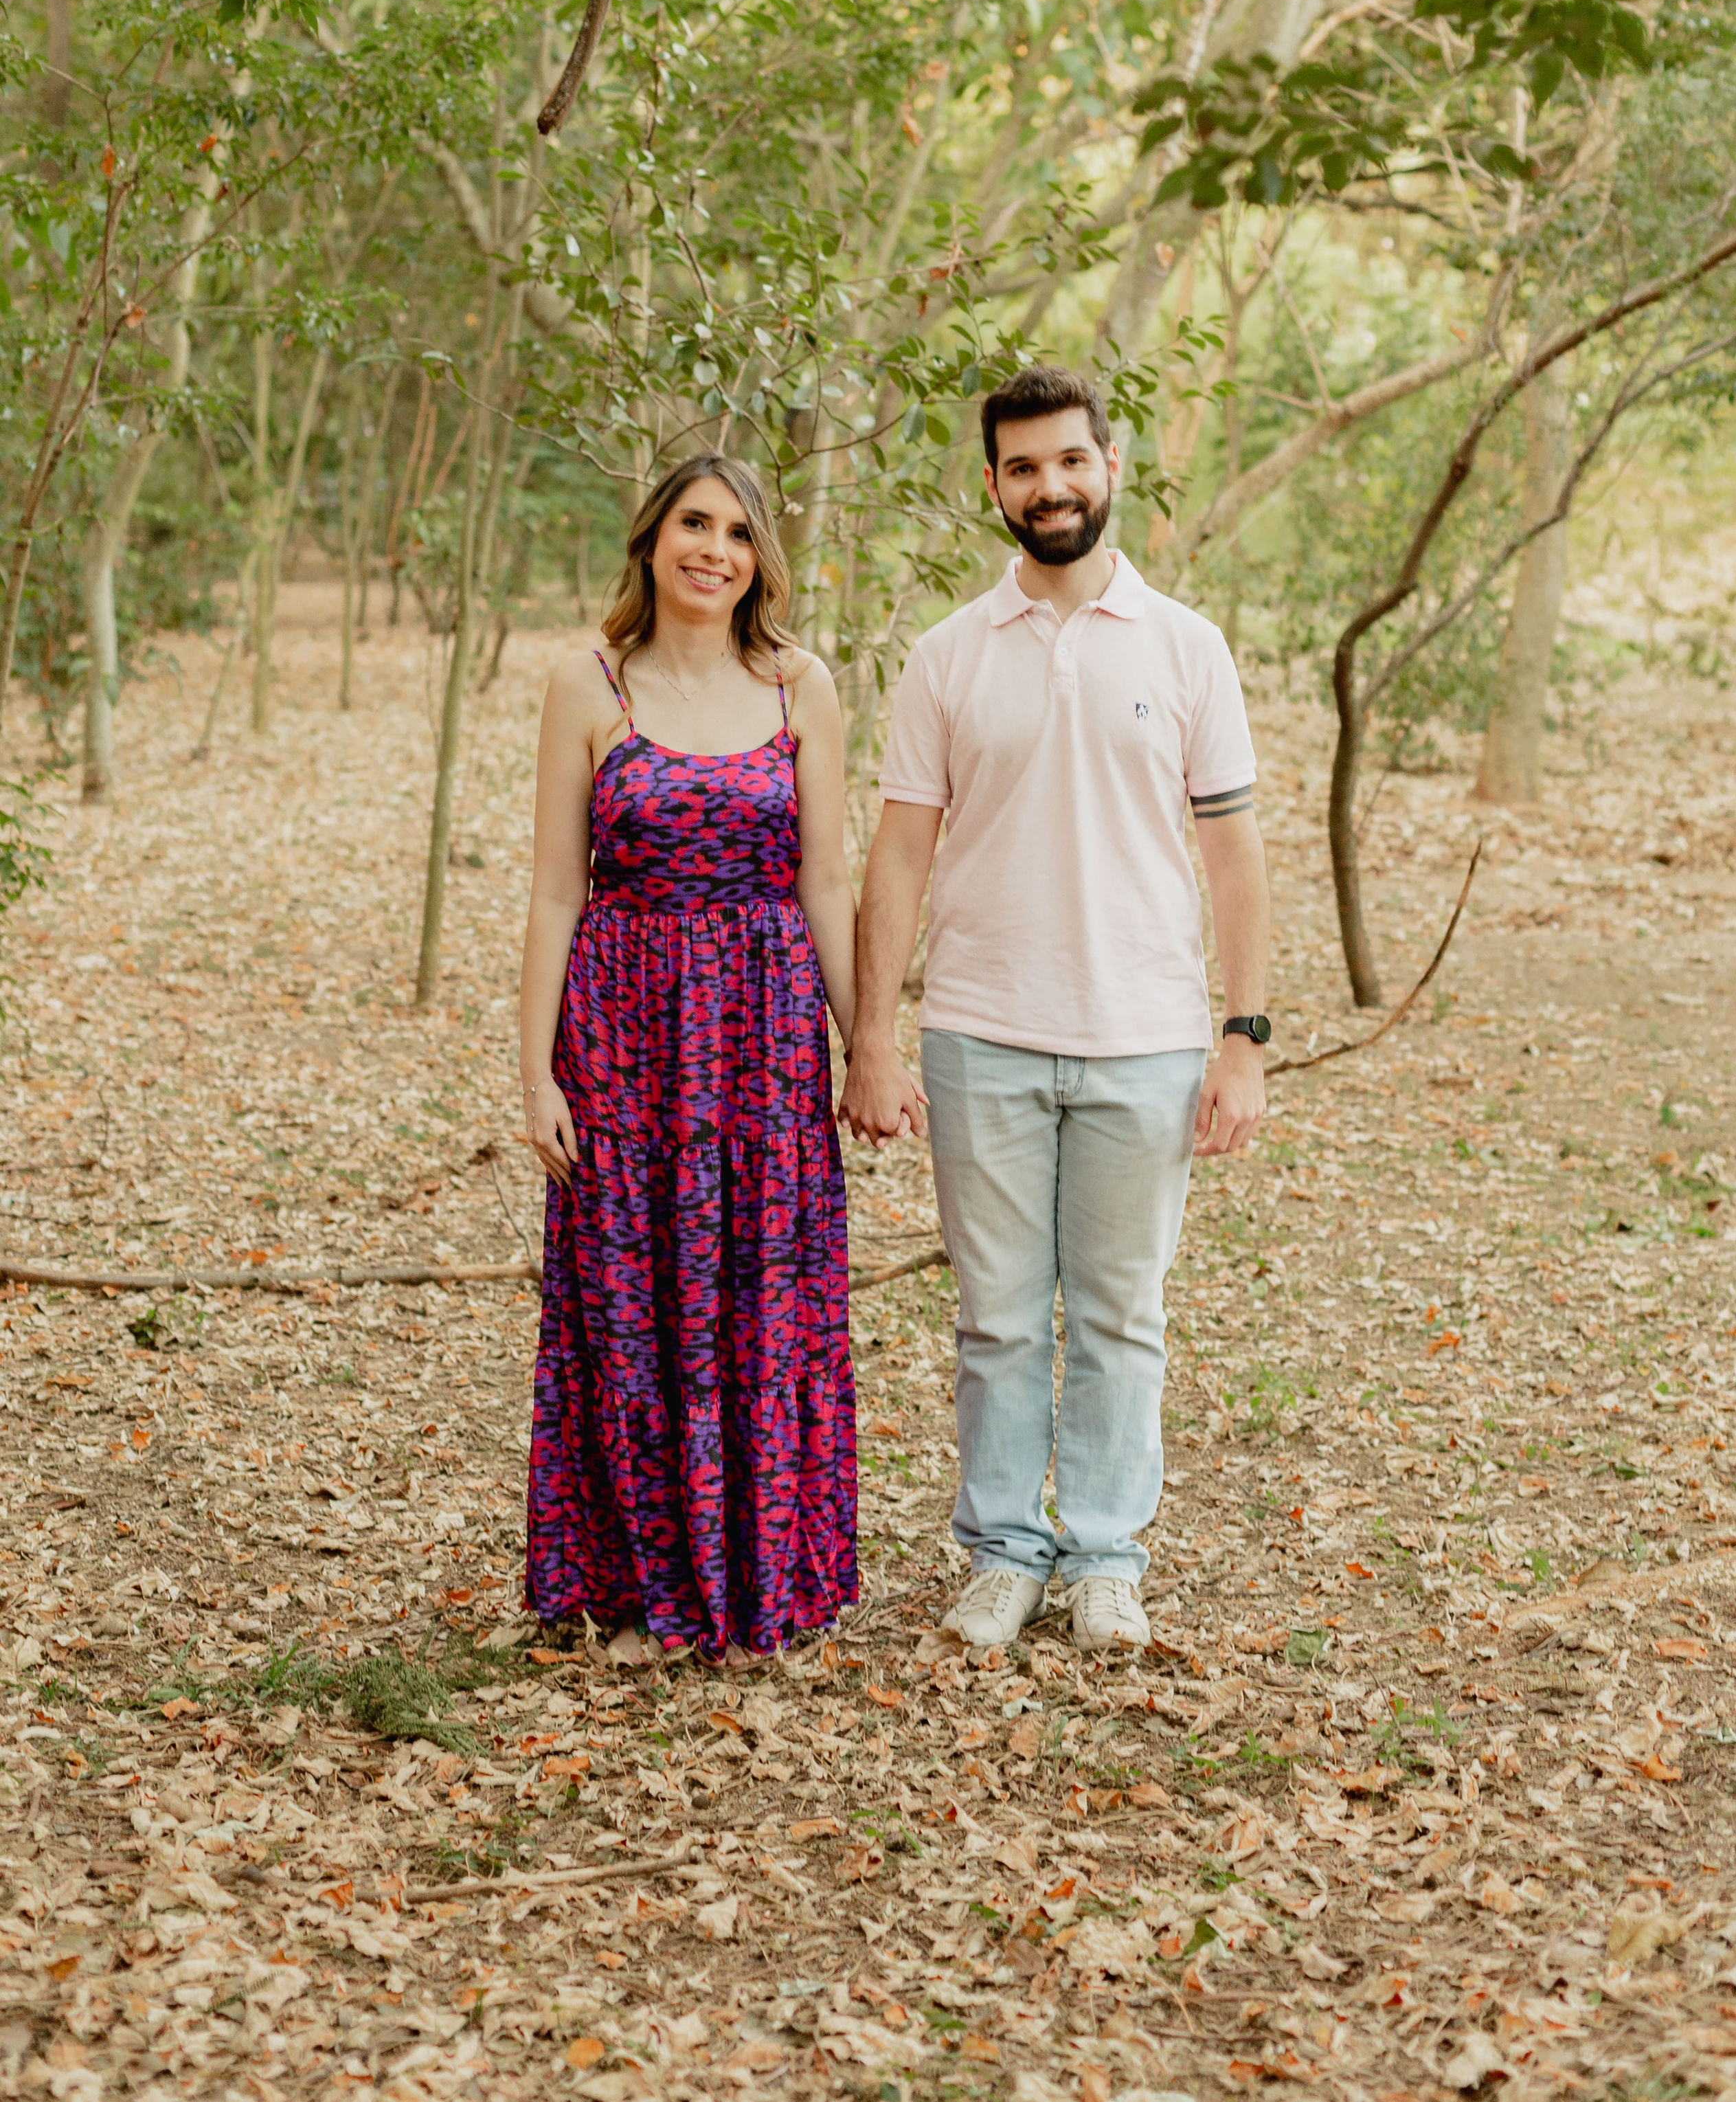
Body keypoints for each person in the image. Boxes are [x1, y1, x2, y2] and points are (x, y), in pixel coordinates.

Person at [841, 365, 1271, 1655]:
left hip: (1147, 1036)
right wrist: (873, 1033)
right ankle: (1000, 1551)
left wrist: (1243, 1041)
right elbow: (900, 854)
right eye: (1023, 468)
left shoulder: (1187, 645)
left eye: (1070, 461)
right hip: (982, 1030)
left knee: (1122, 1313)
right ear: (994, 487)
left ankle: (1103, 1557)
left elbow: (1237, 858)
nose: (1051, 487)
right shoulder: (947, 655)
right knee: (997, 1315)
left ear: (1111, 465)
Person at [519, 454, 859, 1664]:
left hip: (764, 1040)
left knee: (763, 1299)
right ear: (653, 540)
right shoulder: (587, 683)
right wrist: (534, 1074)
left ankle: (761, 1577)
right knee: (631, 1298)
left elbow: (824, 878)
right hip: (623, 1034)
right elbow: (560, 890)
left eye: (736, 532)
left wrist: (864, 1038)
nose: (714, 548)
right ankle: (640, 1587)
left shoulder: (798, 685)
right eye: (692, 524)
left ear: (761, 557)